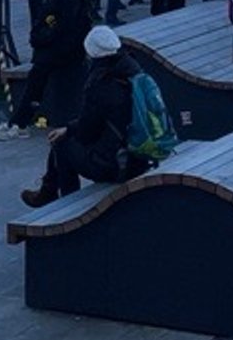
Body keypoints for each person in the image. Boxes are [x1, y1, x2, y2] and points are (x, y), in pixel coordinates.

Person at [19, 26, 151, 208]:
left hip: (117, 165)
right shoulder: (135, 72)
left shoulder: (101, 83)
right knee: (64, 134)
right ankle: (48, 191)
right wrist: (70, 128)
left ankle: (68, 206)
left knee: (62, 144)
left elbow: (86, 133)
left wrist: (69, 129)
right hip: (142, 158)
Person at [0, 0, 93, 139]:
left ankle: (19, 123)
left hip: (61, 47)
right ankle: (19, 121)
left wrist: (42, 37)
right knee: (37, 81)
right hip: (67, 46)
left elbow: (65, 20)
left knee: (36, 80)